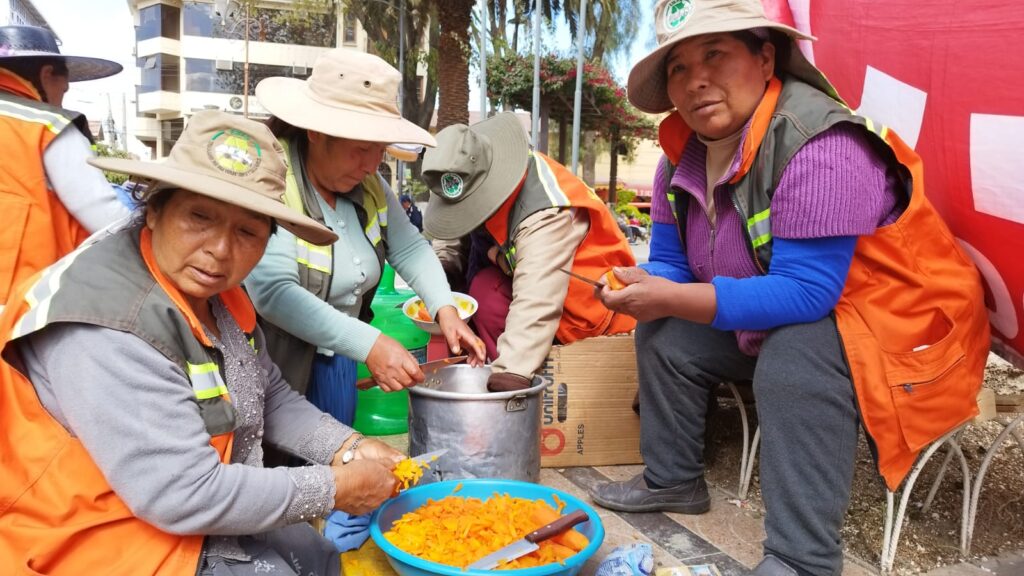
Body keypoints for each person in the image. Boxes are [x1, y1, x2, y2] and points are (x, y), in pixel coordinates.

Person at [587, 1, 990, 575]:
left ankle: (802, 560)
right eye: (678, 67)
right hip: (794, 321)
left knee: (796, 349)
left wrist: (670, 295)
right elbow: (674, 267)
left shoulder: (821, 143)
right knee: (665, 327)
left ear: (766, 56)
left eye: (716, 54)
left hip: (902, 339)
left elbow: (809, 293)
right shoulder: (681, 155)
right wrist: (643, 284)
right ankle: (671, 479)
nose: (696, 78)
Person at [0, 110, 404, 574]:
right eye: (200, 217)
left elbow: (265, 392)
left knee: (317, 553)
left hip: (181, 505)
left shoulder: (216, 292)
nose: (220, 249)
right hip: (98, 535)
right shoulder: (109, 323)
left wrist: (348, 447)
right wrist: (335, 488)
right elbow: (181, 493)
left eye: (247, 231)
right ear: (153, 209)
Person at [245, 48, 484, 424]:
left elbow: (411, 249)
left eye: (380, 150)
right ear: (316, 133)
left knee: (339, 460)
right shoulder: (273, 181)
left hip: (339, 358)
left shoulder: (370, 186)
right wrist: (369, 344)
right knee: (287, 467)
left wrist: (446, 310)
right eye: (360, 149)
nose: (373, 165)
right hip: (274, 360)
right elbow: (274, 294)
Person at [423, 112, 637, 392]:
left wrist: (507, 378)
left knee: (488, 293)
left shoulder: (546, 211)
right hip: (539, 293)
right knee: (483, 286)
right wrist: (442, 277)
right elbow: (452, 235)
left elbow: (537, 300)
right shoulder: (480, 172)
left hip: (591, 320)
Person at [0, 25, 131, 311]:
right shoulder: (44, 125)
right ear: (46, 74)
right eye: (64, 88)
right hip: (22, 307)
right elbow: (108, 219)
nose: (63, 98)